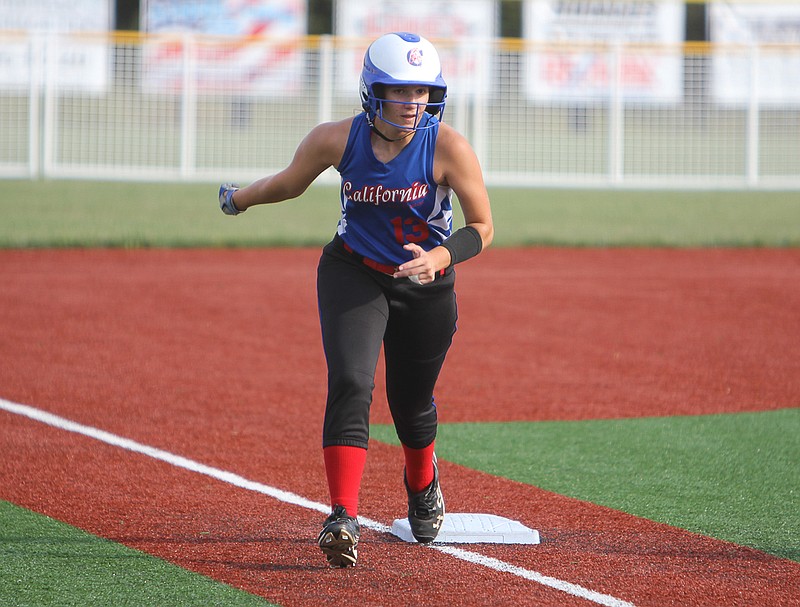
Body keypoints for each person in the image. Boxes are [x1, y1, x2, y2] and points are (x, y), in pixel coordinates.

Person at [218, 32, 493, 568]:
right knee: (351, 380)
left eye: (423, 91)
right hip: (353, 272)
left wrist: (439, 258)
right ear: (372, 92)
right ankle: (342, 516)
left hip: (425, 283)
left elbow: (483, 226)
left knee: (410, 402)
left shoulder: (447, 146)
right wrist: (241, 198)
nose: (414, 103)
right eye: (400, 91)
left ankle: (422, 482)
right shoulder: (338, 138)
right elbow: (289, 183)